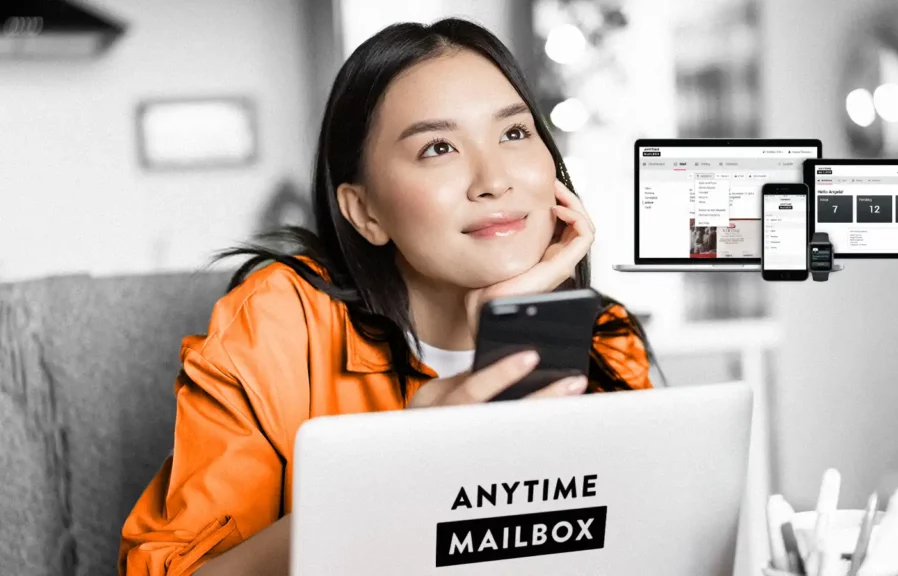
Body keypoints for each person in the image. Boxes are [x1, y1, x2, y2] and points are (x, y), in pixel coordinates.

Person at [118, 18, 658, 576]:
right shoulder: (282, 320)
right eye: (439, 147)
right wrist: (402, 469)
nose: (494, 179)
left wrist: (508, 331)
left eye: (515, 133)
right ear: (366, 212)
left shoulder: (604, 337)